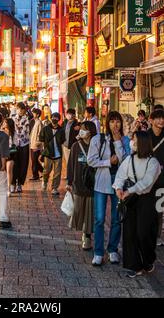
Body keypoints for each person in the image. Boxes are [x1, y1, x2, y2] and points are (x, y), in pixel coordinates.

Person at [113, 131, 161, 278]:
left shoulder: (153, 162)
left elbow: (147, 183)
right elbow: (120, 175)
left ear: (142, 143)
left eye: (133, 140)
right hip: (131, 200)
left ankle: (148, 260)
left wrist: (129, 191)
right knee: (129, 232)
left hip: (146, 200)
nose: (131, 143)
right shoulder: (129, 159)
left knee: (143, 232)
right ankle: (135, 266)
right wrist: (119, 188)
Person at [87, 110, 126, 266]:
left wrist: (118, 142)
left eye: (118, 121)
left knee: (117, 219)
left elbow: (125, 161)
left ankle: (112, 249)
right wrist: (108, 162)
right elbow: (91, 160)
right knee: (99, 219)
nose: (115, 125)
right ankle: (98, 252)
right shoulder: (98, 139)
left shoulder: (125, 140)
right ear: (107, 123)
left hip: (119, 183)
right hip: (101, 182)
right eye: (112, 121)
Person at [66, 121, 97, 250]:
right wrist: (69, 182)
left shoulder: (97, 145)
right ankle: (83, 231)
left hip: (92, 185)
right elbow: (71, 165)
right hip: (78, 184)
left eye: (84, 129)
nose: (81, 131)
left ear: (90, 131)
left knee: (90, 212)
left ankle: (87, 236)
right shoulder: (75, 146)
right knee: (79, 209)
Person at [147, 109, 164, 247]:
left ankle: (157, 236)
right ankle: (146, 232)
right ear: (151, 120)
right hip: (146, 180)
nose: (161, 121)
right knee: (147, 208)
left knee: (159, 209)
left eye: (163, 118)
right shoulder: (145, 137)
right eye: (158, 118)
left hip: (162, 180)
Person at [39, 112, 66, 196]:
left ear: (59, 119)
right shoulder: (45, 129)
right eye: (54, 117)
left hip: (58, 154)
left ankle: (54, 188)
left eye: (57, 118)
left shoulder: (61, 130)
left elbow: (62, 140)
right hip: (48, 153)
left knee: (57, 172)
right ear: (51, 118)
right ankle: (45, 181)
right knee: (46, 170)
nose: (55, 119)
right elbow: (41, 139)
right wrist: (42, 151)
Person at [12, 102, 30, 193]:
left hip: (24, 145)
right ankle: (13, 184)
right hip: (14, 145)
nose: (21, 111)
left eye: (22, 109)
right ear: (16, 109)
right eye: (19, 109)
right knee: (14, 165)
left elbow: (24, 132)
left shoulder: (27, 119)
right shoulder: (12, 119)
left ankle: (19, 184)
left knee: (23, 165)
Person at [2, 117, 19, 195]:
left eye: (5, 122)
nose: (4, 124)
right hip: (2, 153)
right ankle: (5, 187)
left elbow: (16, 143)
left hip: (11, 153)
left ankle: (9, 188)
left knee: (9, 170)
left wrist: (11, 144)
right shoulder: (1, 132)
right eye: (4, 122)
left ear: (9, 124)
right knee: (3, 170)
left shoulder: (14, 133)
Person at [62, 109, 80, 179]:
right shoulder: (65, 122)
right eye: (68, 113)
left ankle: (73, 176)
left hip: (72, 145)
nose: (68, 115)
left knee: (72, 161)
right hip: (65, 145)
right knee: (67, 161)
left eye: (70, 114)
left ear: (73, 115)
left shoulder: (77, 124)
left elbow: (79, 135)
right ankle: (68, 175)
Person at [29, 108, 43, 181]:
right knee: (34, 160)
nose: (33, 114)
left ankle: (36, 175)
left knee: (34, 160)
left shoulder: (39, 123)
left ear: (37, 114)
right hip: (33, 143)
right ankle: (41, 172)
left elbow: (40, 134)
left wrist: (37, 144)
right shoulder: (35, 122)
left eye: (34, 113)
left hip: (36, 145)